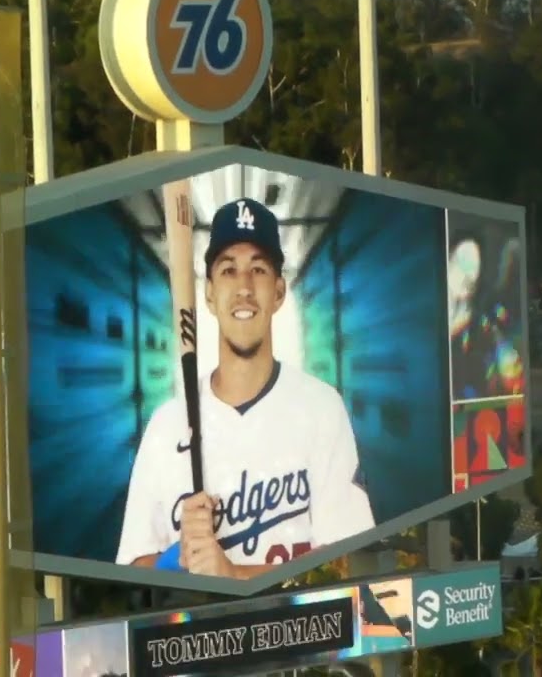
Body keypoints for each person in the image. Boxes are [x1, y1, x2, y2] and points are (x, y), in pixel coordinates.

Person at [115, 197, 376, 579]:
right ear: (207, 293)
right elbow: (133, 567)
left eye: (258, 269)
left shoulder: (321, 407)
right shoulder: (166, 424)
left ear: (279, 291)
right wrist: (177, 559)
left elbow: (348, 562)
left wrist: (234, 574)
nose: (244, 288)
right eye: (228, 271)